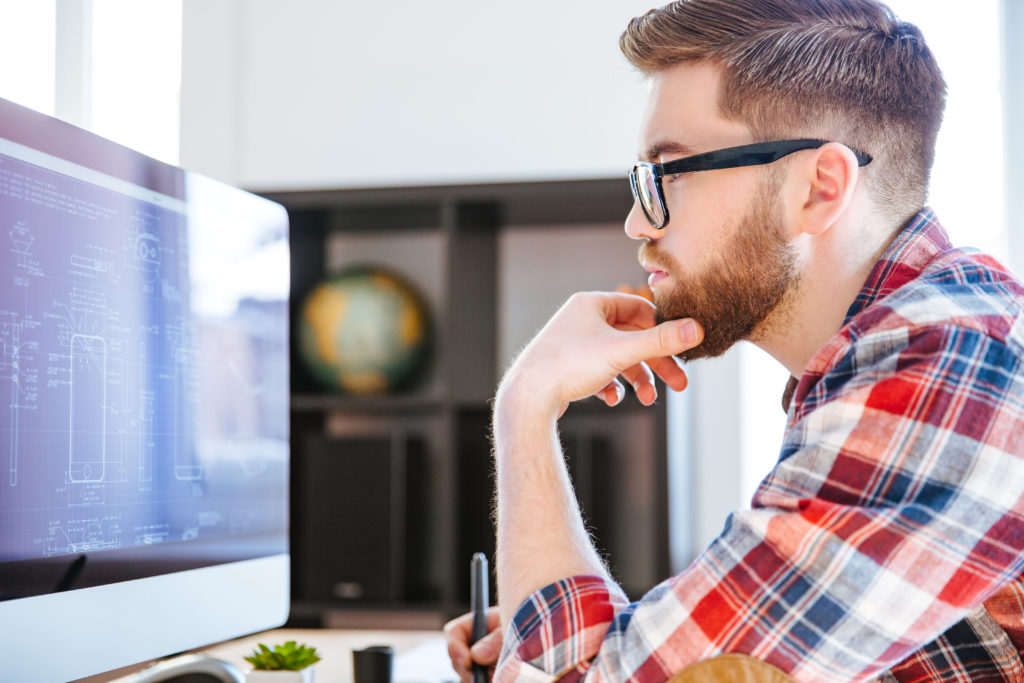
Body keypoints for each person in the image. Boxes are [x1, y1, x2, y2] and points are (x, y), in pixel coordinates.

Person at [445, 0, 1024, 680]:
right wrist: (612, 624)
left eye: (672, 172)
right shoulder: (932, 340)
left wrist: (525, 403)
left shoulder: (944, 368)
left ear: (818, 187)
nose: (637, 221)